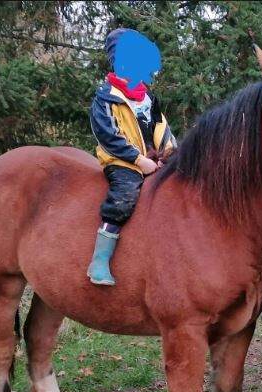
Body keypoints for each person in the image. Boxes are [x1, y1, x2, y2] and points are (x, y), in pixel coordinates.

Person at [87, 28, 176, 285]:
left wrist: (168, 155)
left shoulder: (147, 98)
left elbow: (161, 128)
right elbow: (108, 136)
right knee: (124, 195)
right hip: (122, 161)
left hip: (152, 158)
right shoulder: (106, 99)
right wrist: (139, 160)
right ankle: (100, 261)